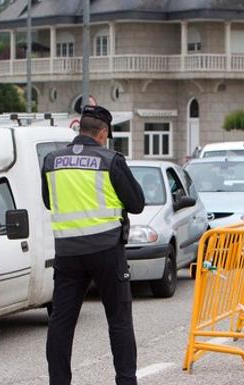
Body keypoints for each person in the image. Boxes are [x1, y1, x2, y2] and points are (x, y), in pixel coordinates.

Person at [41, 105, 145, 385]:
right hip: (106, 251)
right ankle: (126, 381)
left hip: (68, 254)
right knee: (119, 320)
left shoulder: (52, 161)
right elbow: (136, 203)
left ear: (79, 130)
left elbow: (49, 202)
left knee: (61, 324)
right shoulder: (110, 160)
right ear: (103, 133)